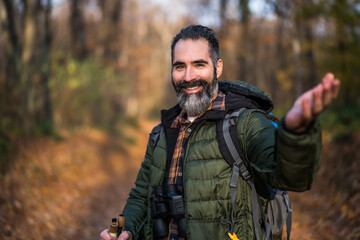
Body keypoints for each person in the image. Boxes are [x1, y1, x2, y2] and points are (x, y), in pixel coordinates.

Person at [100, 25, 340, 240]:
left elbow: (289, 176)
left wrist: (296, 132)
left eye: (199, 64)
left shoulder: (245, 123)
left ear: (218, 67)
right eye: (179, 66)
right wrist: (126, 229)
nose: (188, 76)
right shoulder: (161, 133)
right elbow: (141, 196)